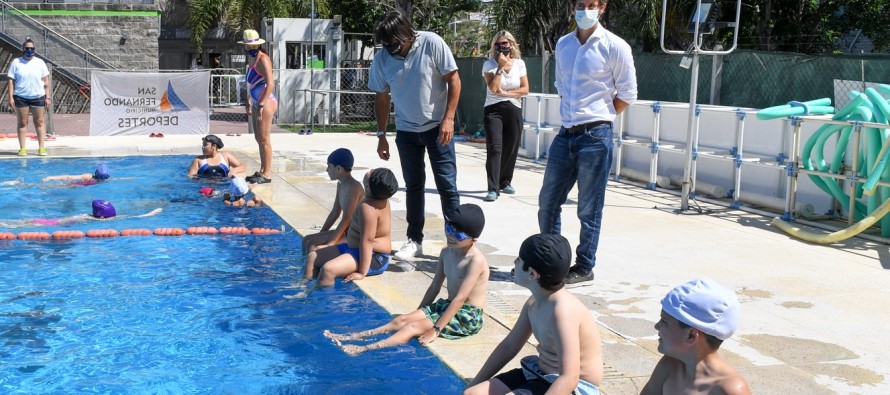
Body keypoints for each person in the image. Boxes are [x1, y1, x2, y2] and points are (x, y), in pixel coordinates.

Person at [538, 0, 637, 284]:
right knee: (548, 202)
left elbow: (627, 94)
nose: (585, 10)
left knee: (588, 207)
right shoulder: (564, 44)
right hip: (565, 133)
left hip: (596, 136)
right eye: (580, 4)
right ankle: (550, 261)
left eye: (591, 4)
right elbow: (560, 86)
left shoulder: (614, 46)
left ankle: (584, 266)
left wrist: (600, 116)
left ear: (602, 7)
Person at [324, 203, 489, 356]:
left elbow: (460, 299)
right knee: (402, 320)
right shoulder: (446, 253)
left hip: (467, 316)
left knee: (411, 327)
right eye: (449, 228)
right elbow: (434, 287)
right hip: (448, 305)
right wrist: (418, 312)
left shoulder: (475, 261)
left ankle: (363, 349)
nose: (451, 235)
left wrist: (435, 329)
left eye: (458, 234)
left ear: (473, 239)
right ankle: (354, 336)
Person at [368, 11, 462, 261]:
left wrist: (449, 119)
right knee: (414, 187)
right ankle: (414, 240)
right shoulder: (382, 59)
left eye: (393, 43)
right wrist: (381, 134)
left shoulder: (431, 42)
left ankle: (456, 241)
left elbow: (454, 80)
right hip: (407, 131)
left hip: (438, 128)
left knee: (447, 186)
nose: (390, 49)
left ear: (406, 34)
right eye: (385, 45)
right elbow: (381, 96)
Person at [465, 234, 602, 395]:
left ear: (532, 274)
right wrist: (473, 383)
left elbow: (569, 379)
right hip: (539, 373)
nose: (515, 262)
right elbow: (509, 346)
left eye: (519, 259)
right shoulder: (534, 302)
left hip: (576, 387)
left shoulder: (563, 311)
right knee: (472, 393)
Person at [641, 278, 750, 395]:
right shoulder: (670, 365)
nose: (657, 326)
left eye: (664, 321)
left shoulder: (730, 389)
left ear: (691, 336)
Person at [304, 168, 398, 287]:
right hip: (354, 248)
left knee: (328, 270)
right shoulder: (377, 197)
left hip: (374, 257)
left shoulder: (368, 208)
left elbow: (367, 241)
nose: (370, 170)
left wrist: (362, 273)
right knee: (313, 256)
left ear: (368, 186)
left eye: (372, 173)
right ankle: (305, 289)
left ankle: (323, 301)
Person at [481, 30, 529, 202]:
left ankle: (505, 181)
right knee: (495, 148)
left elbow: (525, 90)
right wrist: (500, 68)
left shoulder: (520, 64)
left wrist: (507, 94)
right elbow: (493, 88)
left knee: (511, 147)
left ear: (511, 44)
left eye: (504, 44)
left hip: (514, 108)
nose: (501, 47)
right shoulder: (489, 65)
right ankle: (492, 188)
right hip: (493, 110)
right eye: (498, 44)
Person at [301, 148, 365, 254]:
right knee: (306, 240)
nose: (326, 170)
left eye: (329, 166)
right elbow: (335, 212)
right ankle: (304, 267)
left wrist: (330, 243)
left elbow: (347, 219)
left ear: (338, 168)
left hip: (355, 234)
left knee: (312, 244)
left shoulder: (354, 187)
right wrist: (322, 232)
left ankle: (312, 268)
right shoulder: (341, 184)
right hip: (347, 231)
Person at [238, 29, 278, 185]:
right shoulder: (251, 59)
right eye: (249, 46)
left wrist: (261, 103)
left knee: (264, 138)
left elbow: (270, 83)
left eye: (254, 46)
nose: (251, 49)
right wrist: (249, 99)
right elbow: (254, 82)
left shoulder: (263, 59)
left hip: (265, 102)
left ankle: (267, 173)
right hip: (256, 101)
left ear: (258, 45)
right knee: (258, 138)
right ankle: (262, 170)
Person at [6, 38, 51, 157]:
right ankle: (22, 148)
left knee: (40, 122)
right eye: (27, 48)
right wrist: (10, 97)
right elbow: (11, 81)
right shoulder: (16, 62)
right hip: (21, 96)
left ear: (34, 49)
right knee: (22, 122)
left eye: (32, 48)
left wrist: (48, 97)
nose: (29, 50)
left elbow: (46, 81)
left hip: (38, 96)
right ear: (23, 49)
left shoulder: (40, 62)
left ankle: (41, 148)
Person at [0, 200, 162, 228]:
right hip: (43, 224)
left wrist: (150, 214)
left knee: (14, 223)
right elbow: (126, 218)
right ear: (103, 217)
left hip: (47, 220)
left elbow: (127, 217)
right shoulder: (88, 218)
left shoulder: (92, 217)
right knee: (11, 225)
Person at [42, 163, 110, 186]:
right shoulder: (88, 177)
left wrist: (51, 178)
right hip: (74, 185)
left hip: (76, 186)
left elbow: (68, 177)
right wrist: (51, 178)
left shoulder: (89, 176)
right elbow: (68, 177)